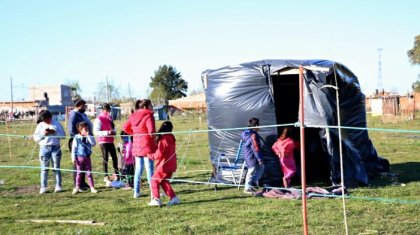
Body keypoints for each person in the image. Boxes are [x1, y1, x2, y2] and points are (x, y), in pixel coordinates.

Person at [122, 99, 157, 199]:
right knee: (149, 169)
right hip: (147, 145)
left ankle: (136, 192)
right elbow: (151, 131)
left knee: (138, 169)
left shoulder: (134, 115)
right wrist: (156, 138)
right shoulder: (149, 115)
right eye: (151, 105)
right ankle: (153, 193)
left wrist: (134, 134)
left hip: (136, 146)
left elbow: (125, 127)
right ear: (146, 106)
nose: (152, 107)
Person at [33, 110, 66, 194]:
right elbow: (35, 138)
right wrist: (43, 134)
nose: (47, 121)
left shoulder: (57, 124)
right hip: (44, 148)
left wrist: (54, 133)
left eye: (48, 119)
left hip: (55, 147)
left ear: (50, 117)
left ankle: (58, 186)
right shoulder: (40, 125)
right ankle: (43, 187)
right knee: (44, 168)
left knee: (56, 168)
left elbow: (63, 135)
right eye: (44, 120)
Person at [148, 121, 180, 206]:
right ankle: (174, 198)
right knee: (164, 182)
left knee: (154, 180)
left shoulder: (164, 139)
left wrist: (150, 155)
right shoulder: (171, 138)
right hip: (171, 164)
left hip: (164, 165)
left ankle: (156, 199)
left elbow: (159, 154)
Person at [68, 98, 92, 190]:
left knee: (84, 162)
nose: (84, 107)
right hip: (77, 141)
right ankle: (77, 184)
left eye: (84, 105)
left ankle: (82, 182)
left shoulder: (82, 114)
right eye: (82, 106)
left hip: (84, 140)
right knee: (78, 163)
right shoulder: (73, 115)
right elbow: (71, 130)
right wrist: (80, 138)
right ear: (77, 106)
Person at [93, 103, 120, 184]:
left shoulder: (110, 118)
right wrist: (107, 132)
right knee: (105, 158)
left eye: (108, 110)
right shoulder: (99, 118)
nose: (107, 111)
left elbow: (113, 128)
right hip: (103, 141)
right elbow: (96, 132)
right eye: (106, 110)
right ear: (102, 109)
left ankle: (117, 174)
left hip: (110, 140)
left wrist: (114, 132)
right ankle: (105, 176)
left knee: (115, 158)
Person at [71, 122, 98, 194]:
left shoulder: (89, 136)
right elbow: (73, 149)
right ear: (80, 130)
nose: (87, 130)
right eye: (85, 129)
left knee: (89, 173)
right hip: (79, 158)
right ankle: (77, 187)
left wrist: (88, 136)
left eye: (87, 129)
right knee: (79, 173)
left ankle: (92, 187)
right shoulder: (76, 137)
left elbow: (93, 144)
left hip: (87, 158)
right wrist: (73, 158)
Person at [241, 117, 265, 194]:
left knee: (261, 167)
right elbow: (255, 148)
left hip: (248, 155)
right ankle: (247, 188)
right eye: (259, 125)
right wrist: (259, 159)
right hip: (252, 156)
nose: (260, 127)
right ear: (256, 126)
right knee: (251, 171)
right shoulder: (253, 135)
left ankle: (252, 184)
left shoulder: (246, 133)